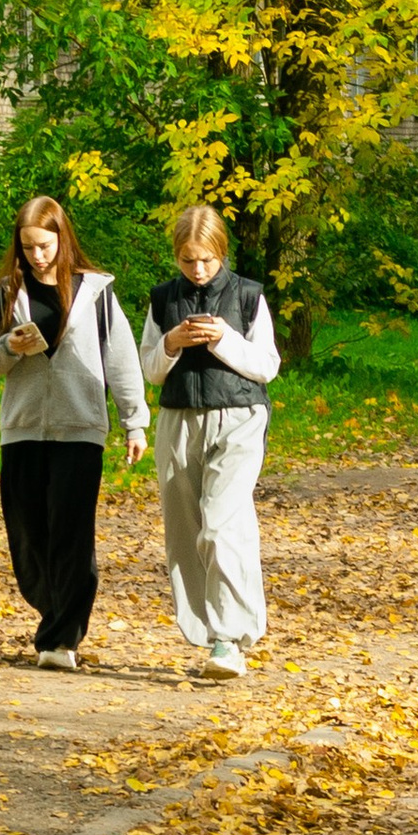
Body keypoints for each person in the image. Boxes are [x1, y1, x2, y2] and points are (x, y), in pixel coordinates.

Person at [0, 194, 148, 671]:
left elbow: (122, 360)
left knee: (71, 535)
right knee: (28, 537)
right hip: (23, 429)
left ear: (62, 238)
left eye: (45, 245)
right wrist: (10, 345)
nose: (38, 256)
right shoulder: (8, 294)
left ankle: (61, 640)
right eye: (28, 247)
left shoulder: (95, 293)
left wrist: (135, 421)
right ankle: (52, 613)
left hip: (81, 428)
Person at [139, 203, 281, 680]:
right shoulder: (162, 300)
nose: (197, 270)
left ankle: (230, 638)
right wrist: (173, 343)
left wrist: (221, 339)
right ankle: (205, 632)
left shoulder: (246, 296)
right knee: (185, 532)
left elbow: (267, 366)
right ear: (176, 257)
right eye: (187, 260)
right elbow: (150, 371)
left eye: (206, 260)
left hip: (240, 418)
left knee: (221, 526)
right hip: (178, 421)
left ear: (221, 253)